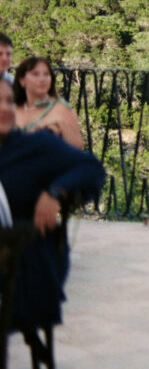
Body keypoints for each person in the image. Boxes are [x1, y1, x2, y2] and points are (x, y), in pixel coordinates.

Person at [0, 77, 105, 364]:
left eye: (9, 101)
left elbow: (90, 168)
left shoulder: (34, 147)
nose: (5, 108)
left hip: (24, 263)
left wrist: (55, 193)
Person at [13, 56, 85, 148]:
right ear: (22, 80)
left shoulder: (61, 108)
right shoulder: (12, 108)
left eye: (46, 74)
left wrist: (60, 126)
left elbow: (78, 146)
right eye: (35, 74)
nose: (42, 79)